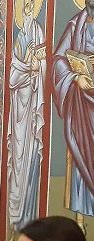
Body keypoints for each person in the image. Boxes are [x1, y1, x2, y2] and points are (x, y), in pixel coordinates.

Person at [5, 0, 45, 241]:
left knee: (30, 163)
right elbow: (12, 76)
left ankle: (26, 227)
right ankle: (13, 226)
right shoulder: (20, 36)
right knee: (17, 165)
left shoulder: (38, 32)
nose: (29, 12)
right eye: (26, 9)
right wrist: (28, 66)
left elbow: (42, 66)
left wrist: (38, 66)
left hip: (31, 115)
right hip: (19, 113)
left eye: (32, 8)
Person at [52, 0, 94, 216]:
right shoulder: (75, 25)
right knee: (81, 149)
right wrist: (76, 77)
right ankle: (80, 218)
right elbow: (58, 60)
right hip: (81, 104)